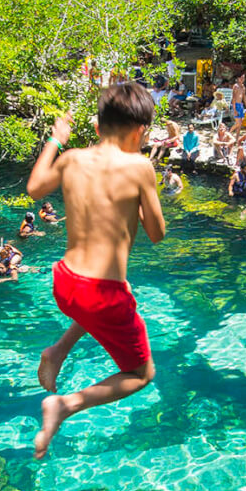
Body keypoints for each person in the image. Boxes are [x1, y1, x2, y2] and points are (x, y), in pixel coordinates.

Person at [25, 83, 165, 459]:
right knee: (140, 375)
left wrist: (56, 138)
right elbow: (156, 233)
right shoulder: (140, 166)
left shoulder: (71, 157)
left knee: (116, 294)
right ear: (140, 131)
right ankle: (66, 406)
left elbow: (35, 188)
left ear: (100, 126)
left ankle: (56, 351)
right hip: (100, 294)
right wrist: (139, 200)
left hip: (64, 282)